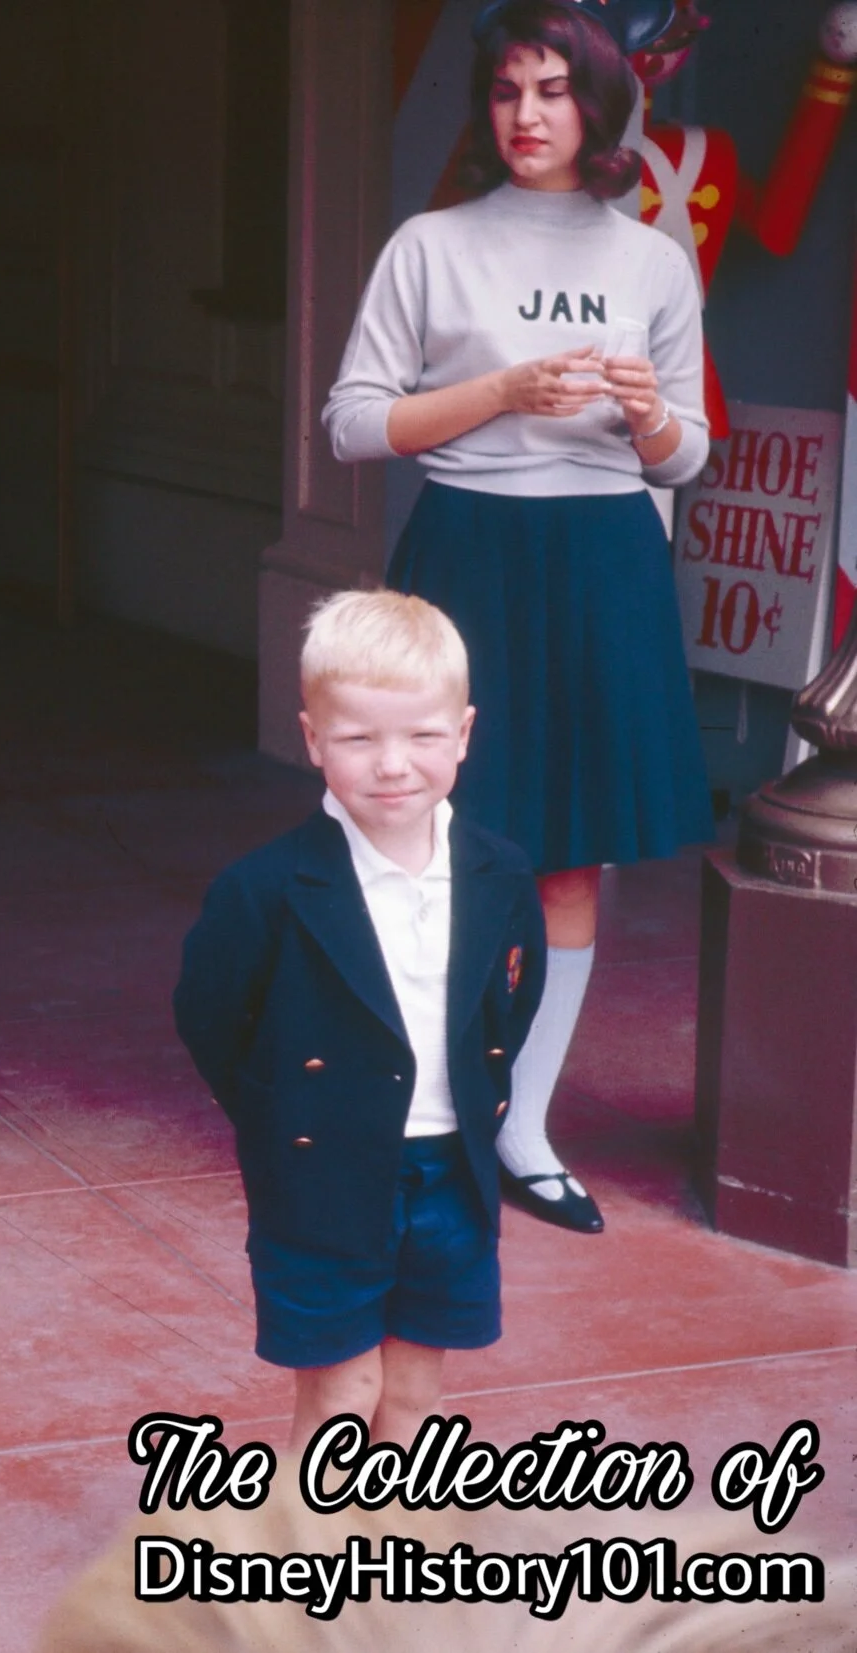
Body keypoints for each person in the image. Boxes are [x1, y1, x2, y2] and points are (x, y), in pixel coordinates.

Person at [321, 0, 711, 1235]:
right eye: (507, 91)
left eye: (552, 91)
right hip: (467, 553)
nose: (527, 114)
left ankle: (524, 1131)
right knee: (422, 837)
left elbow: (686, 457)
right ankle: (419, 1116)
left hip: (602, 558)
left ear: (599, 107)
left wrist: (648, 415)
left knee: (566, 857)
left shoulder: (652, 259)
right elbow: (351, 422)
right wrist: (495, 391)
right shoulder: (429, 246)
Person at [174, 592, 548, 1450]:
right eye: (358, 739)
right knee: (345, 1390)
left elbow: (508, 1005)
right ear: (312, 738)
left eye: (421, 736)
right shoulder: (264, 889)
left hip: (452, 1172)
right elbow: (211, 1017)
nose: (393, 765)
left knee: (414, 1394)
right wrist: (292, 1117)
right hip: (323, 1178)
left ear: (462, 732)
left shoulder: (499, 872)